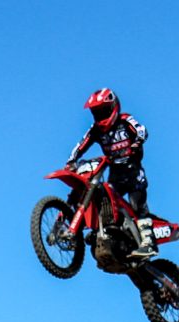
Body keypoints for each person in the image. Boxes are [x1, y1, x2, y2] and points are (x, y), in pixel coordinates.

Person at [66, 88, 156, 259]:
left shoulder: (124, 120)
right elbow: (82, 144)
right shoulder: (96, 130)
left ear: (113, 107)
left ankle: (148, 243)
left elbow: (142, 130)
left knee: (137, 204)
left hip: (132, 170)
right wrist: (71, 160)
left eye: (103, 111)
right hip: (114, 173)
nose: (100, 116)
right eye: (96, 112)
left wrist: (137, 143)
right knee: (104, 201)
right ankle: (106, 233)